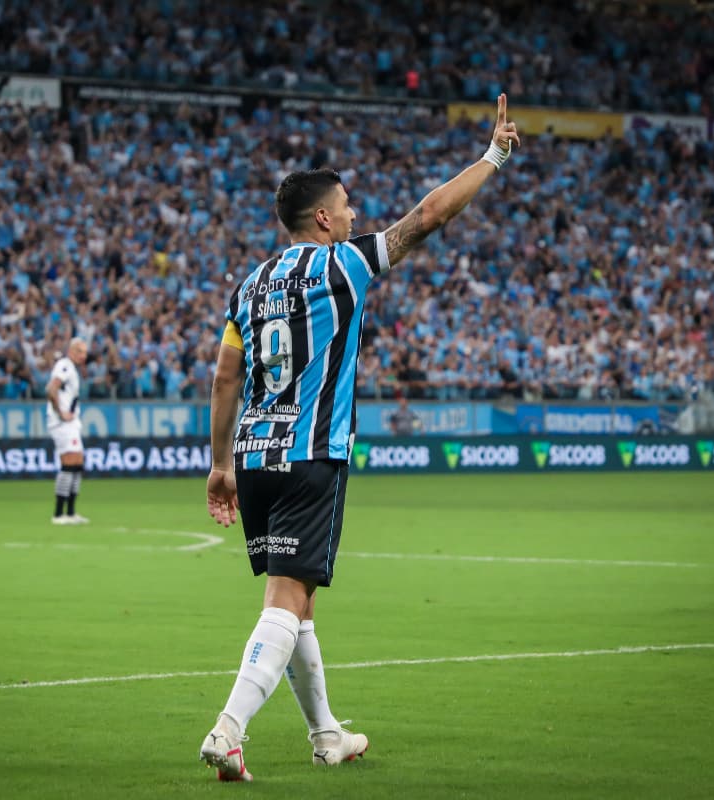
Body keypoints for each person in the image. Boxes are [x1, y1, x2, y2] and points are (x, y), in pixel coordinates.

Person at [199, 95, 519, 781]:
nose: (352, 213)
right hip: (314, 455)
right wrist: (493, 156)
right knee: (287, 601)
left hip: (255, 459)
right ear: (323, 219)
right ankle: (228, 730)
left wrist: (220, 464)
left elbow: (226, 376)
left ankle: (326, 735)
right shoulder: (342, 264)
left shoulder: (248, 287)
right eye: (345, 205)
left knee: (297, 597)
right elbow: (427, 218)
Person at [46, 338, 89, 524]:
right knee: (69, 463)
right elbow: (51, 388)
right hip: (62, 424)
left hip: (71, 423)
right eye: (80, 351)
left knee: (78, 464)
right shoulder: (64, 365)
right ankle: (58, 514)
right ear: (71, 351)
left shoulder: (72, 368)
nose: (84, 356)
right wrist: (60, 413)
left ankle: (71, 512)